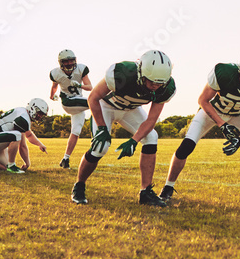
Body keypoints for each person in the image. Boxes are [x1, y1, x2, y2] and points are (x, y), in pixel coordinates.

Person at [160, 46, 240, 204]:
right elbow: (202, 101)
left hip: (237, 113)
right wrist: (222, 124)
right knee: (186, 146)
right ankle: (168, 187)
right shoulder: (224, 73)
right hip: (211, 112)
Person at [70, 50, 175, 207]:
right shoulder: (121, 73)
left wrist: (134, 140)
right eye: (151, 81)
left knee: (151, 137)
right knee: (100, 147)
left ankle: (145, 192)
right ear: (140, 73)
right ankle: (79, 186)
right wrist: (102, 128)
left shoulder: (166, 88)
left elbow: (152, 119)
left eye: (160, 83)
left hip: (130, 110)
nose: (155, 86)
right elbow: (93, 98)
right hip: (106, 106)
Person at [0, 98, 49, 174]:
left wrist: (40, 144)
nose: (40, 116)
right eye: (40, 113)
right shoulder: (23, 117)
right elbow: (22, 146)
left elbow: (29, 135)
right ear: (33, 108)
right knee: (17, 135)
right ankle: (12, 166)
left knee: (5, 168)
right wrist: (27, 163)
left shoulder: (23, 113)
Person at [48, 49, 93, 169]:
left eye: (71, 61)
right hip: (68, 102)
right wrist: (52, 96)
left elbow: (90, 87)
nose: (69, 63)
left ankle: (65, 159)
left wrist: (79, 85)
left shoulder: (81, 69)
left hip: (78, 103)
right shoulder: (56, 73)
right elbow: (54, 86)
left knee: (76, 132)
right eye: (66, 61)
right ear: (61, 63)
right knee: (96, 101)